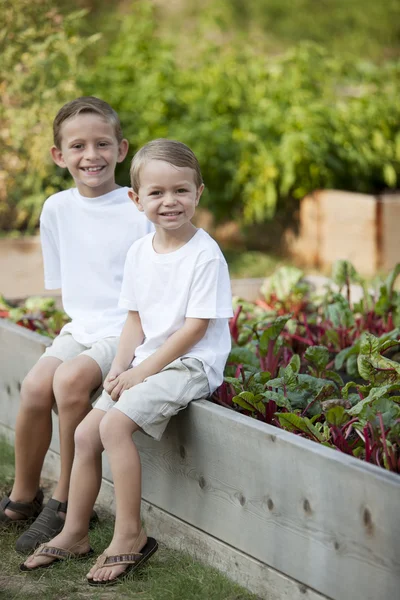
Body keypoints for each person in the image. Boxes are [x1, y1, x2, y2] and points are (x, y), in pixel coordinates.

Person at [20, 138, 234, 585]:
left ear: (199, 193)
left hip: (190, 362)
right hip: (147, 358)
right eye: (156, 193)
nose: (169, 202)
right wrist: (121, 366)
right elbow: (134, 321)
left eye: (181, 191)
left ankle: (129, 535)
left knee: (114, 426)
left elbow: (194, 330)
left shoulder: (204, 254)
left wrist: (142, 371)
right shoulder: (141, 252)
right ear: (137, 199)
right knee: (84, 432)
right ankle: (76, 531)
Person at [0, 97, 153, 553]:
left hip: (126, 327)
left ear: (122, 149)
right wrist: (73, 337)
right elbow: (71, 284)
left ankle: (66, 502)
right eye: (78, 146)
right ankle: (24, 496)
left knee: (68, 383)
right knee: (33, 388)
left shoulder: (137, 207)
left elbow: (150, 285)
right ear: (58, 155)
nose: (92, 155)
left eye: (103, 143)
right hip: (82, 325)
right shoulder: (56, 209)